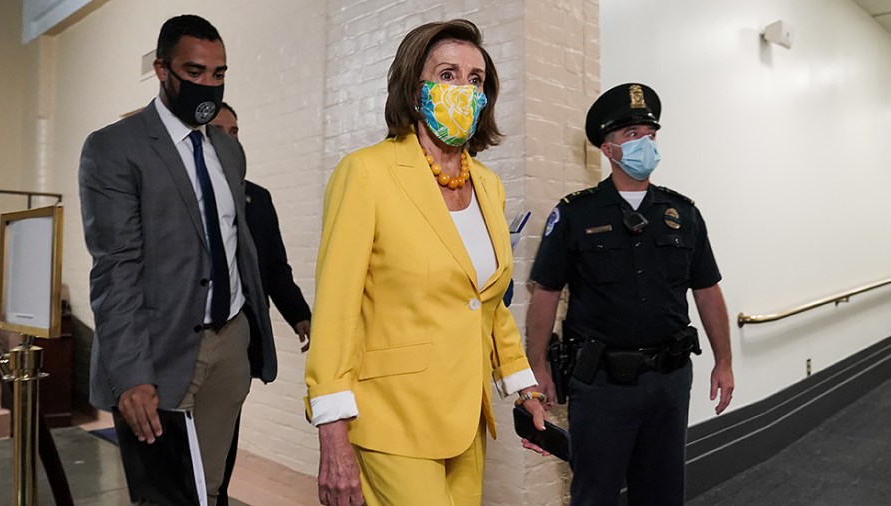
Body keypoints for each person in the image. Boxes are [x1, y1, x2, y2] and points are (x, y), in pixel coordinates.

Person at [304, 19, 546, 506]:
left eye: (476, 80)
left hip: (467, 419)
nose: (464, 89)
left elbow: (489, 303)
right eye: (448, 75)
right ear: (416, 89)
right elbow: (336, 311)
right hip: (392, 420)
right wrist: (331, 431)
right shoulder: (366, 173)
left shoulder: (488, 185)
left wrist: (525, 387)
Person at [78, 15, 276, 505]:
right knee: (163, 496)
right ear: (163, 70)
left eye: (219, 73)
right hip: (158, 354)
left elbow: (237, 245)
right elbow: (115, 267)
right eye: (195, 72)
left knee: (209, 491)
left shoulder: (228, 151)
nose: (208, 84)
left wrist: (253, 328)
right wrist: (130, 374)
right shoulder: (113, 148)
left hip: (229, 344)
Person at [525, 83, 734, 506]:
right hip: (601, 386)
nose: (646, 144)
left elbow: (708, 290)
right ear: (608, 148)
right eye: (633, 135)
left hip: (669, 381)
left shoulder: (683, 213)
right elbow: (545, 292)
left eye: (650, 134)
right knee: (594, 493)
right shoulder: (575, 213)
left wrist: (724, 362)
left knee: (662, 493)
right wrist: (536, 367)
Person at [209, 102, 312, 506]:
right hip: (183, 347)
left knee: (222, 445)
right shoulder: (183, 197)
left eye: (235, 131)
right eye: (219, 130)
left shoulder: (258, 200)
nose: (230, 138)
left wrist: (300, 314)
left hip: (236, 342)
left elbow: (274, 268)